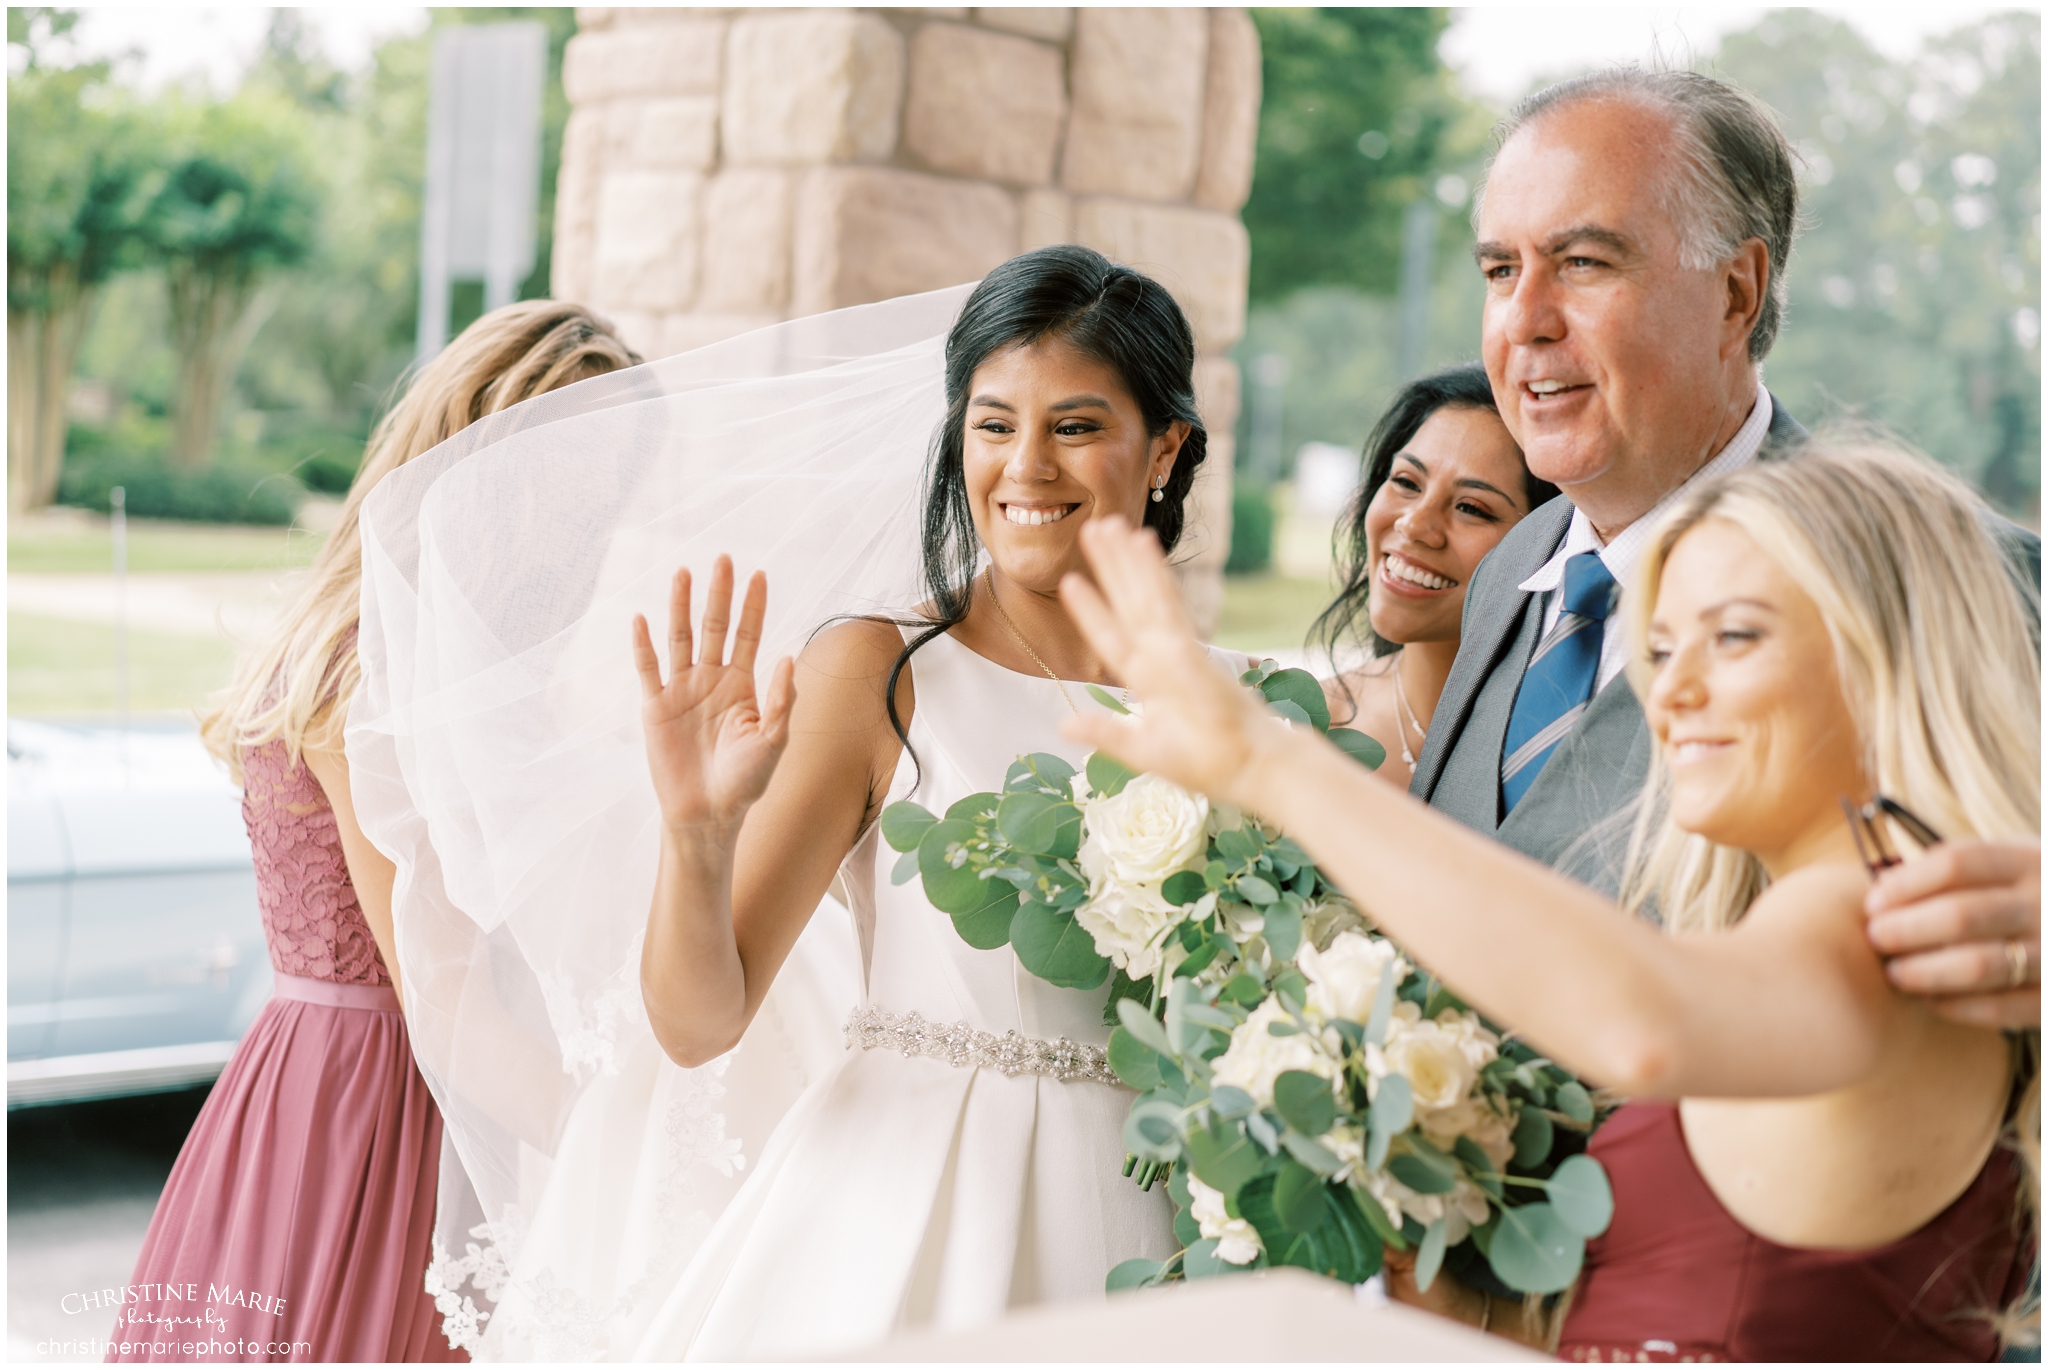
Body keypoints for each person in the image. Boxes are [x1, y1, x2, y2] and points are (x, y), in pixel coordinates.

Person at [345, 247, 1237, 1360]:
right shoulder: (882, 669)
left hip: (1140, 1219)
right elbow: (697, 1020)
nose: (1024, 465)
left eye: (1074, 425)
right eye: (993, 422)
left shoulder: (1239, 712)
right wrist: (697, 832)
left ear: (1163, 447)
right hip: (900, 1209)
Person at [1055, 440, 2038, 1360]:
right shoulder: (1822, 930)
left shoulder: (1893, 925)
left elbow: (1639, 1023)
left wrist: (1265, 763)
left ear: (1888, 656)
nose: (1670, 691)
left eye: (1733, 635)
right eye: (1657, 646)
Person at [1414, 69, 2040, 1021]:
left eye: (1583, 263)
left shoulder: (1952, 579)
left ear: (1737, 293)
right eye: (1502, 270)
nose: (1525, 321)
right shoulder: (1513, 567)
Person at [111, 302, 637, 1364]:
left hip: (326, 1083)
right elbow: (442, 993)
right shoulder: (375, 659)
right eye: (567, 471)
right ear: (475, 456)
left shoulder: (399, 638)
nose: (587, 516)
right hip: (370, 1114)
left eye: (614, 482)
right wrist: (630, 1161)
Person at [1312, 364, 1558, 786]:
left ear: (1548, 543)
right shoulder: (1297, 727)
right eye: (1406, 482)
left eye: (1471, 508)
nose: (1413, 524)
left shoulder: (1553, 754)